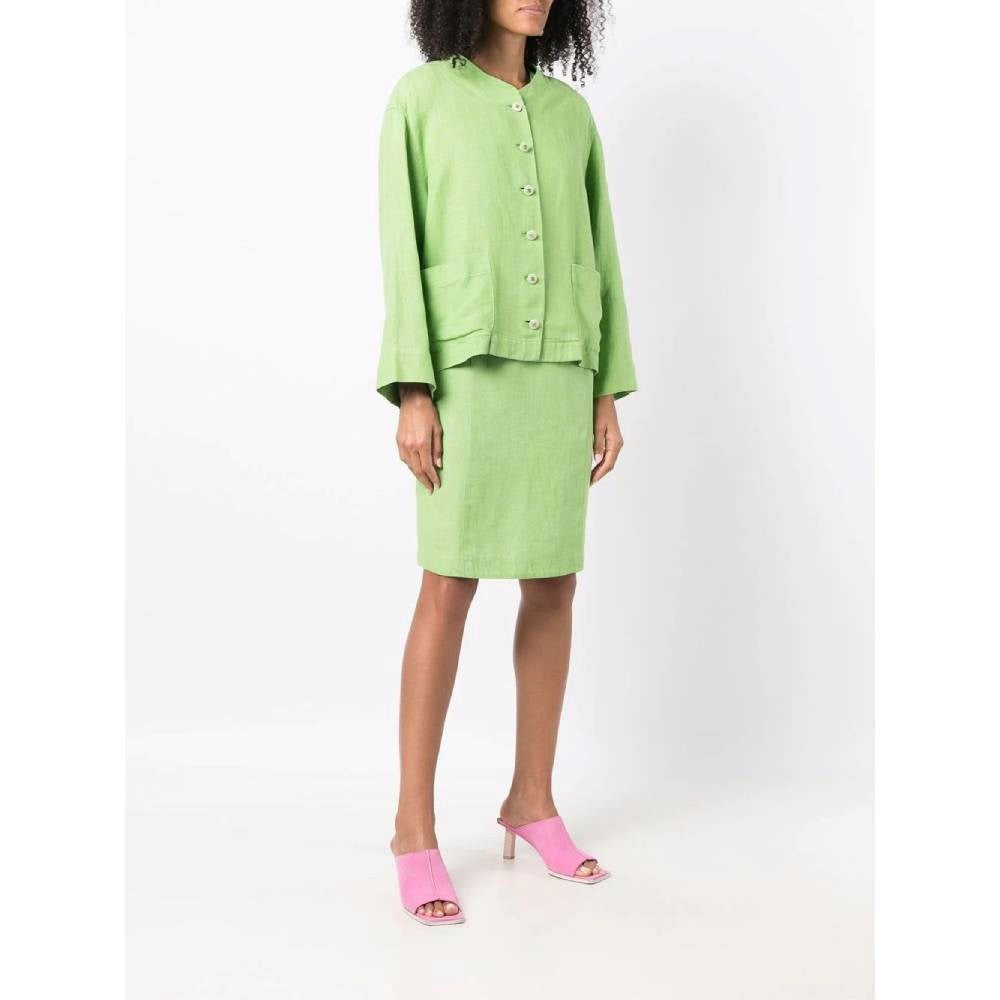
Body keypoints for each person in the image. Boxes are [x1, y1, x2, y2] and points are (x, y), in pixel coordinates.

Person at [376, 0, 637, 925]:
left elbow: (600, 251)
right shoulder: (422, 100)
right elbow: (401, 251)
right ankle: (413, 827)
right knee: (448, 582)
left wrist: (605, 388)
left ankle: (532, 799)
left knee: (554, 582)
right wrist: (414, 390)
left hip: (560, 370)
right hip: (465, 375)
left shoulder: (571, 114)